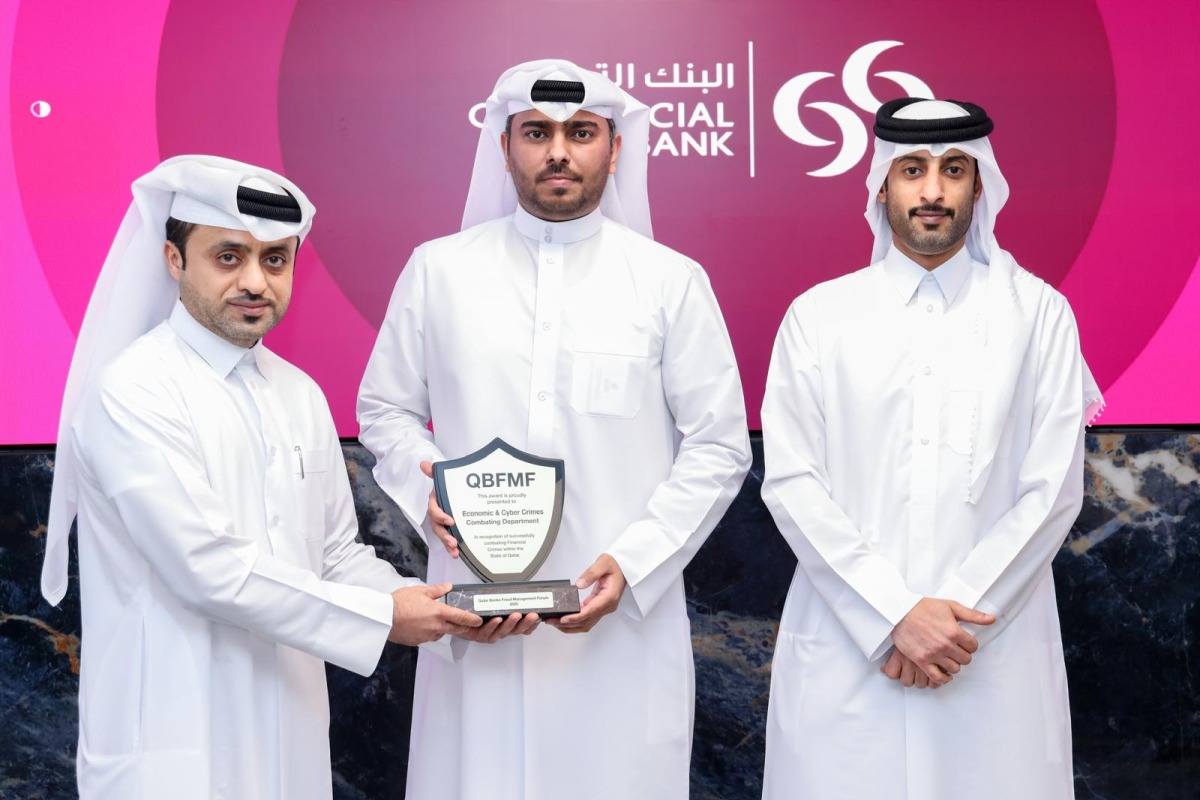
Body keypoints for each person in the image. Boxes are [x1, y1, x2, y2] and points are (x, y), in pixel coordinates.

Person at [39, 156, 530, 800]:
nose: (254, 281)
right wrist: (387, 615)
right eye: (228, 256)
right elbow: (207, 570)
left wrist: (441, 609)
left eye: (275, 260)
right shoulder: (132, 391)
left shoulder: (300, 393)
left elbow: (334, 556)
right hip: (173, 739)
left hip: (290, 741)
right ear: (173, 259)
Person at [358, 59, 751, 799]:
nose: (559, 152)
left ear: (616, 147)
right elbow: (385, 410)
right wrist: (429, 489)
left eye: (581, 133)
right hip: (474, 613)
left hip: (617, 632)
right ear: (505, 147)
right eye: (537, 133)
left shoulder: (670, 282)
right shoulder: (439, 271)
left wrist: (634, 562)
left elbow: (719, 445)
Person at [759, 98, 1103, 799]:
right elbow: (792, 482)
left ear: (980, 186)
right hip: (849, 649)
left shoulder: (1038, 315)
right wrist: (893, 614)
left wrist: (952, 620)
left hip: (987, 652)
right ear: (882, 185)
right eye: (913, 169)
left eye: (954, 170)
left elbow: (1052, 493)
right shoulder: (819, 317)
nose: (934, 191)